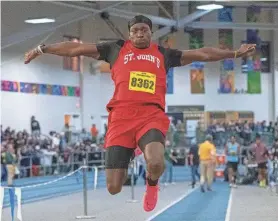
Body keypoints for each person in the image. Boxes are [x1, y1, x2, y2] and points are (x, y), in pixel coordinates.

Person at [24, 15, 256, 211]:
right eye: (135, 31)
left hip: (150, 116)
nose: (140, 34)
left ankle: (151, 183)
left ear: (151, 33)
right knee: (114, 187)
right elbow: (75, 48)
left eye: (145, 30)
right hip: (120, 119)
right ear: (130, 35)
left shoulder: (164, 54)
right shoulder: (114, 49)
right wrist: (42, 48)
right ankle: (133, 148)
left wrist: (234, 54)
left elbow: (202, 54)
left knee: (155, 162)